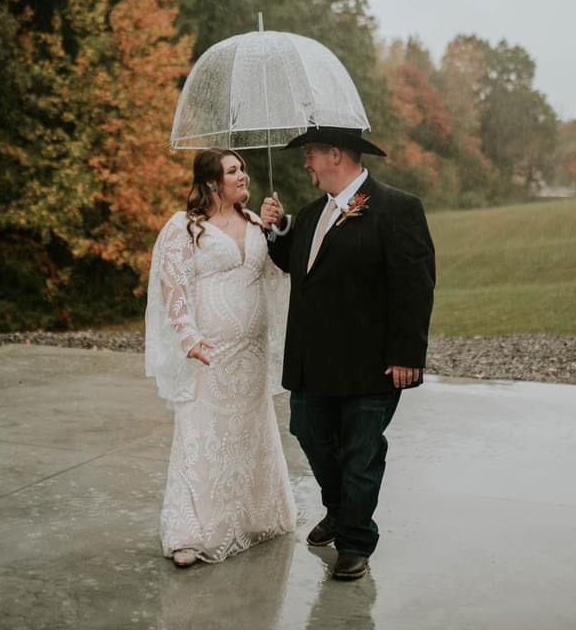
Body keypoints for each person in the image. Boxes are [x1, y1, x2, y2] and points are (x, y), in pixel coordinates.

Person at [261, 126, 435, 581]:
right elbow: (299, 266)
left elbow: (414, 287)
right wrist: (277, 231)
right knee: (308, 431)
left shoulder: (398, 208)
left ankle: (356, 540)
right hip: (313, 360)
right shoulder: (312, 212)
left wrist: (407, 354)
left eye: (311, 155)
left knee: (360, 453)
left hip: (371, 363)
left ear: (335, 154)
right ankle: (340, 509)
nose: (306, 164)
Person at [144, 148, 296, 567]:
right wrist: (188, 335)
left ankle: (252, 518)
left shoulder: (253, 222)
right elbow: (172, 286)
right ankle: (190, 534)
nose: (243, 175)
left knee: (248, 433)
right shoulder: (185, 227)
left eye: (243, 168)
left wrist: (276, 228)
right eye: (233, 171)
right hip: (210, 352)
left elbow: (277, 273)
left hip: (251, 353)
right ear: (212, 182)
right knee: (202, 433)